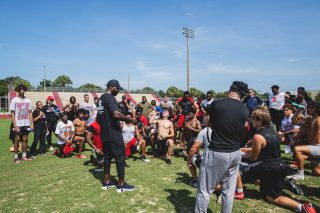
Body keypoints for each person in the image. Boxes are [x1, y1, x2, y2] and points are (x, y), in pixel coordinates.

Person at [240, 107, 316, 213]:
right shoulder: (273, 132)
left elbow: (253, 157)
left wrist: (241, 155)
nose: (250, 120)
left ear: (259, 120)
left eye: (252, 118)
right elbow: (261, 148)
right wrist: (241, 149)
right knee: (267, 193)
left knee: (242, 170)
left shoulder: (257, 136)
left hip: (268, 167)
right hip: (279, 165)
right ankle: (298, 200)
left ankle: (303, 207)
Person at [195, 81, 249, 213]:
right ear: (242, 95)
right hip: (235, 152)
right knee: (229, 191)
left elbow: (210, 124)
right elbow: (244, 130)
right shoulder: (245, 109)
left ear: (230, 89)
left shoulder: (217, 103)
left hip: (217, 150)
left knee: (205, 189)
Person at [96, 79, 135, 192]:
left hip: (105, 135)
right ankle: (121, 185)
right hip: (114, 134)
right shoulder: (110, 98)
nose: (118, 91)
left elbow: (98, 119)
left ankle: (107, 182)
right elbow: (116, 113)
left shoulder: (100, 99)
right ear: (112, 87)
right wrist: (130, 119)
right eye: (118, 89)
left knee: (107, 158)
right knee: (120, 158)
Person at [291, 101, 320, 180]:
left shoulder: (318, 120)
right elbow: (294, 121)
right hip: (313, 147)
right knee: (316, 172)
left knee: (297, 149)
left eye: (310, 108)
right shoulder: (309, 119)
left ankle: (300, 174)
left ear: (316, 109)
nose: (307, 109)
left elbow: (317, 140)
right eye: (307, 107)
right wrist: (298, 110)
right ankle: (305, 163)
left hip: (318, 147)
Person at [10, 84, 34, 163]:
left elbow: (30, 113)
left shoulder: (28, 100)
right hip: (18, 123)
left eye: (23, 88)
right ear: (18, 90)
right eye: (20, 89)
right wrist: (14, 125)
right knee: (17, 139)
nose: (22, 90)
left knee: (25, 139)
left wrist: (32, 123)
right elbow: (12, 113)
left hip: (26, 123)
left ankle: (24, 156)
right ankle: (16, 157)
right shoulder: (14, 100)